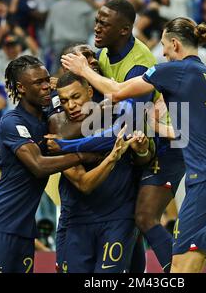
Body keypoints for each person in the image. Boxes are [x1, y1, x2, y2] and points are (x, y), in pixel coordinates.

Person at [62, 17, 206, 273]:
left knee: (177, 270)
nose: (163, 53)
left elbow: (116, 90)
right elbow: (201, 131)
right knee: (185, 268)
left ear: (174, 43)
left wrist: (83, 69)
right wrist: (159, 127)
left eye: (164, 46)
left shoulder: (174, 70)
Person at [0, 55, 124, 273]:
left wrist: (118, 101)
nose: (45, 87)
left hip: (24, 230)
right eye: (37, 83)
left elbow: (72, 113)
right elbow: (38, 166)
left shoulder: (47, 114)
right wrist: (82, 156)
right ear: (21, 88)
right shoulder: (12, 122)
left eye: (46, 81)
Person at [93, 0, 186, 273]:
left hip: (167, 144)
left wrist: (71, 143)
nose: (96, 27)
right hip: (144, 144)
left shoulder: (141, 61)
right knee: (131, 218)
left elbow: (129, 120)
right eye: (97, 20)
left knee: (146, 217)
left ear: (124, 30)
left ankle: (181, 273)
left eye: (104, 23)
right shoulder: (103, 54)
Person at [52, 72, 153, 273]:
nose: (71, 105)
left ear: (90, 92)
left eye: (75, 97)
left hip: (118, 217)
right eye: (64, 100)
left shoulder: (119, 113)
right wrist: (111, 157)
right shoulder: (58, 128)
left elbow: (144, 159)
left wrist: (142, 149)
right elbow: (84, 183)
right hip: (79, 220)